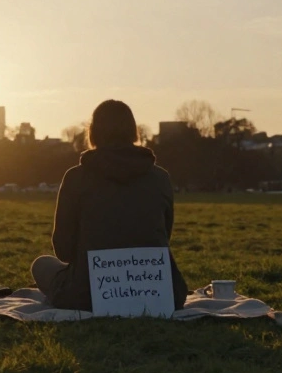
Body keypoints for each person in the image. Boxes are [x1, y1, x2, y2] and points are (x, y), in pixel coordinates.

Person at [31, 99, 188, 311]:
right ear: (133, 131)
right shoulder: (160, 178)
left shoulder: (76, 178)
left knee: (42, 264)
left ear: (93, 132)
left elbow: (64, 251)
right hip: (161, 291)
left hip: (87, 294)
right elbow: (163, 237)